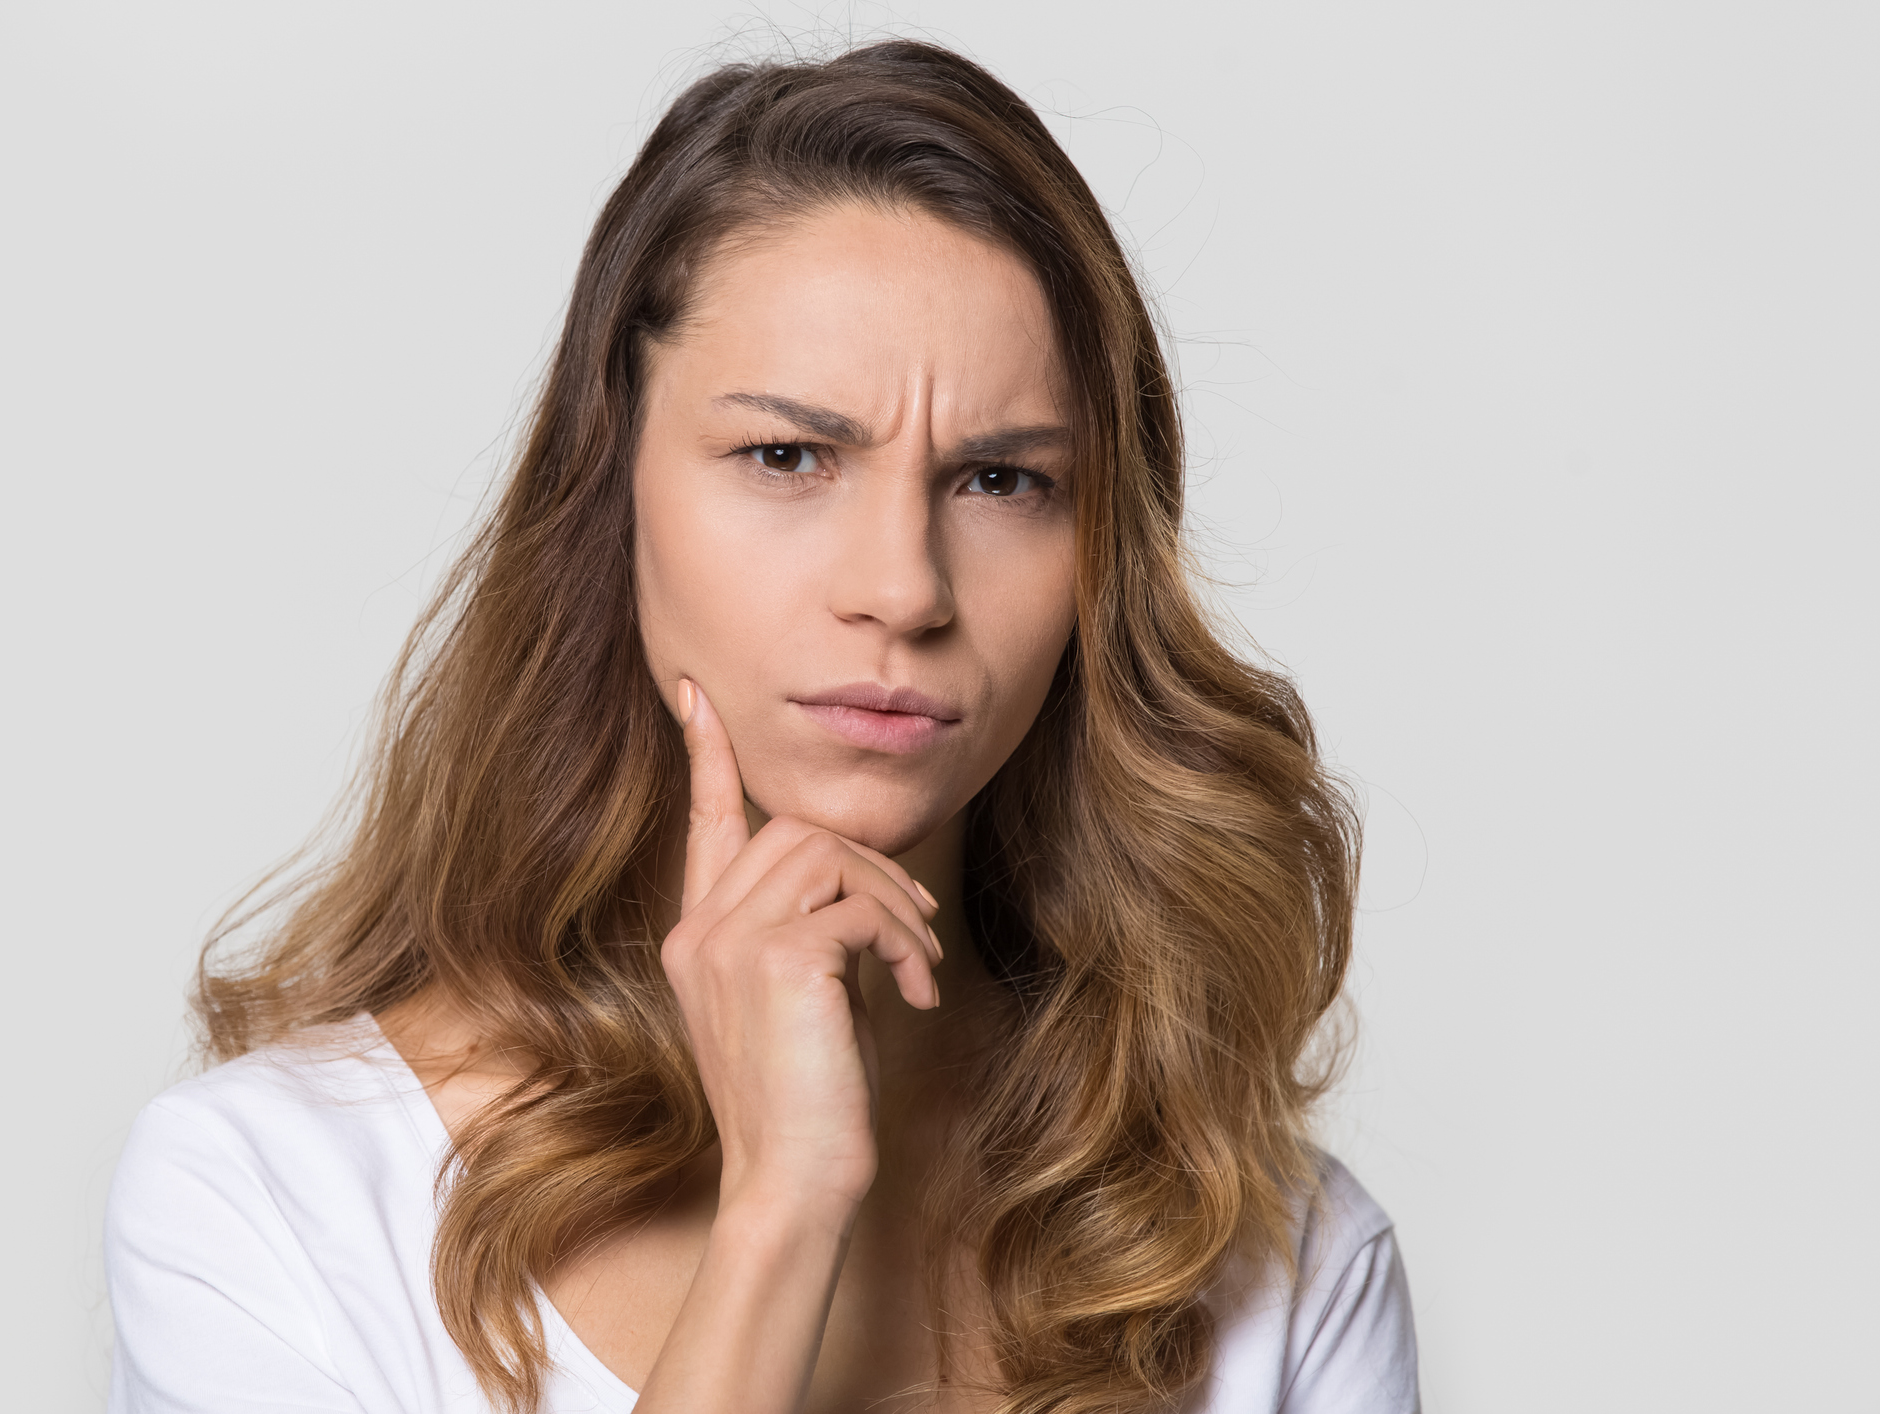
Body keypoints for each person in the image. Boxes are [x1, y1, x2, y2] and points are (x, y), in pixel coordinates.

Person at [104, 39, 1418, 1414]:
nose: (902, 588)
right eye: (788, 456)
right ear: (608, 493)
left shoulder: (1277, 1265)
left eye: (999, 479)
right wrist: (780, 1218)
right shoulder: (274, 1205)